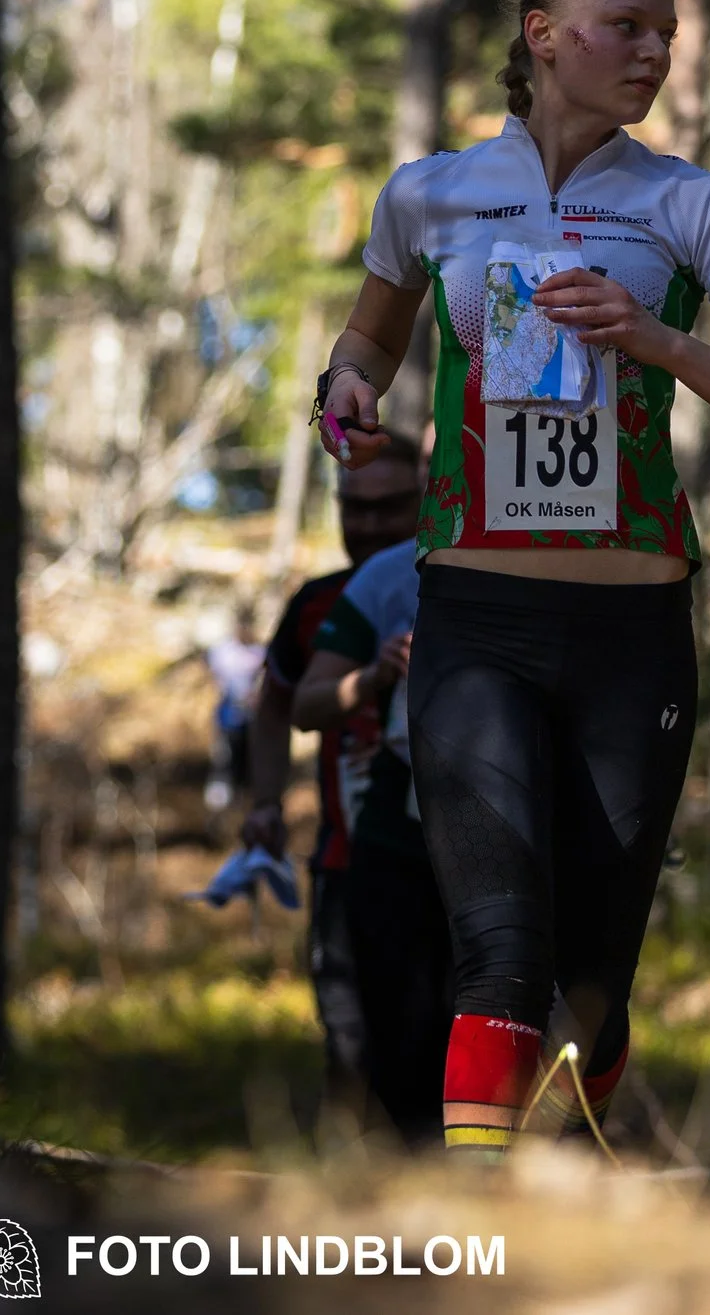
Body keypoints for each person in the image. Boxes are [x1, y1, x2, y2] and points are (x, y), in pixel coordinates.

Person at [314, 0, 710, 1159]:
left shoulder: (683, 203)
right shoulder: (429, 192)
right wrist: (345, 392)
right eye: (627, 26)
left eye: (667, 32)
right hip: (475, 618)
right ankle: (483, 1247)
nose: (654, 51)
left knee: (593, 979)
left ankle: (582, 1156)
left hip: (630, 634)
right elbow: (368, 344)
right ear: (542, 35)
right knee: (496, 947)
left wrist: (660, 342)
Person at [238, 438, 423, 1118]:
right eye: (355, 508)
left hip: (444, 863)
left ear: (428, 496)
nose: (371, 524)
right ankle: (350, 1197)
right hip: (347, 860)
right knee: (350, 1044)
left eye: (391, 506)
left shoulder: (456, 578)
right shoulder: (317, 604)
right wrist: (264, 801)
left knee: (427, 1040)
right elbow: (275, 701)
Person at [291, 533, 453, 1146]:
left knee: (482, 1008)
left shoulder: (540, 550)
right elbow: (301, 702)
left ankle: (486, 1172)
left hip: (510, 809)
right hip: (396, 815)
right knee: (389, 1025)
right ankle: (397, 1174)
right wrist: (376, 674)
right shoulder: (387, 576)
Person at [202, 611, 264, 814]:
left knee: (247, 766)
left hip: (251, 720)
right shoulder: (223, 652)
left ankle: (245, 807)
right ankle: (217, 812)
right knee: (223, 763)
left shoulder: (259, 653)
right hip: (227, 718)